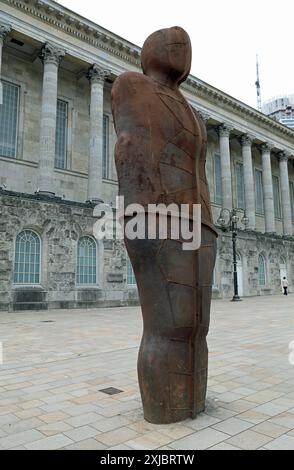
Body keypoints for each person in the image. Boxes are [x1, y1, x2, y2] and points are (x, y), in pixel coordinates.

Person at [111, 26, 217, 424]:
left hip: (200, 222)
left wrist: (208, 219)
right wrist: (139, 212)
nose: (182, 48)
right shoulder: (132, 86)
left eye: (186, 45)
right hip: (156, 216)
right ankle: (163, 410)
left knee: (196, 325)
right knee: (167, 322)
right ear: (150, 51)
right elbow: (130, 148)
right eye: (172, 44)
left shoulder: (193, 110)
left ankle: (193, 402)